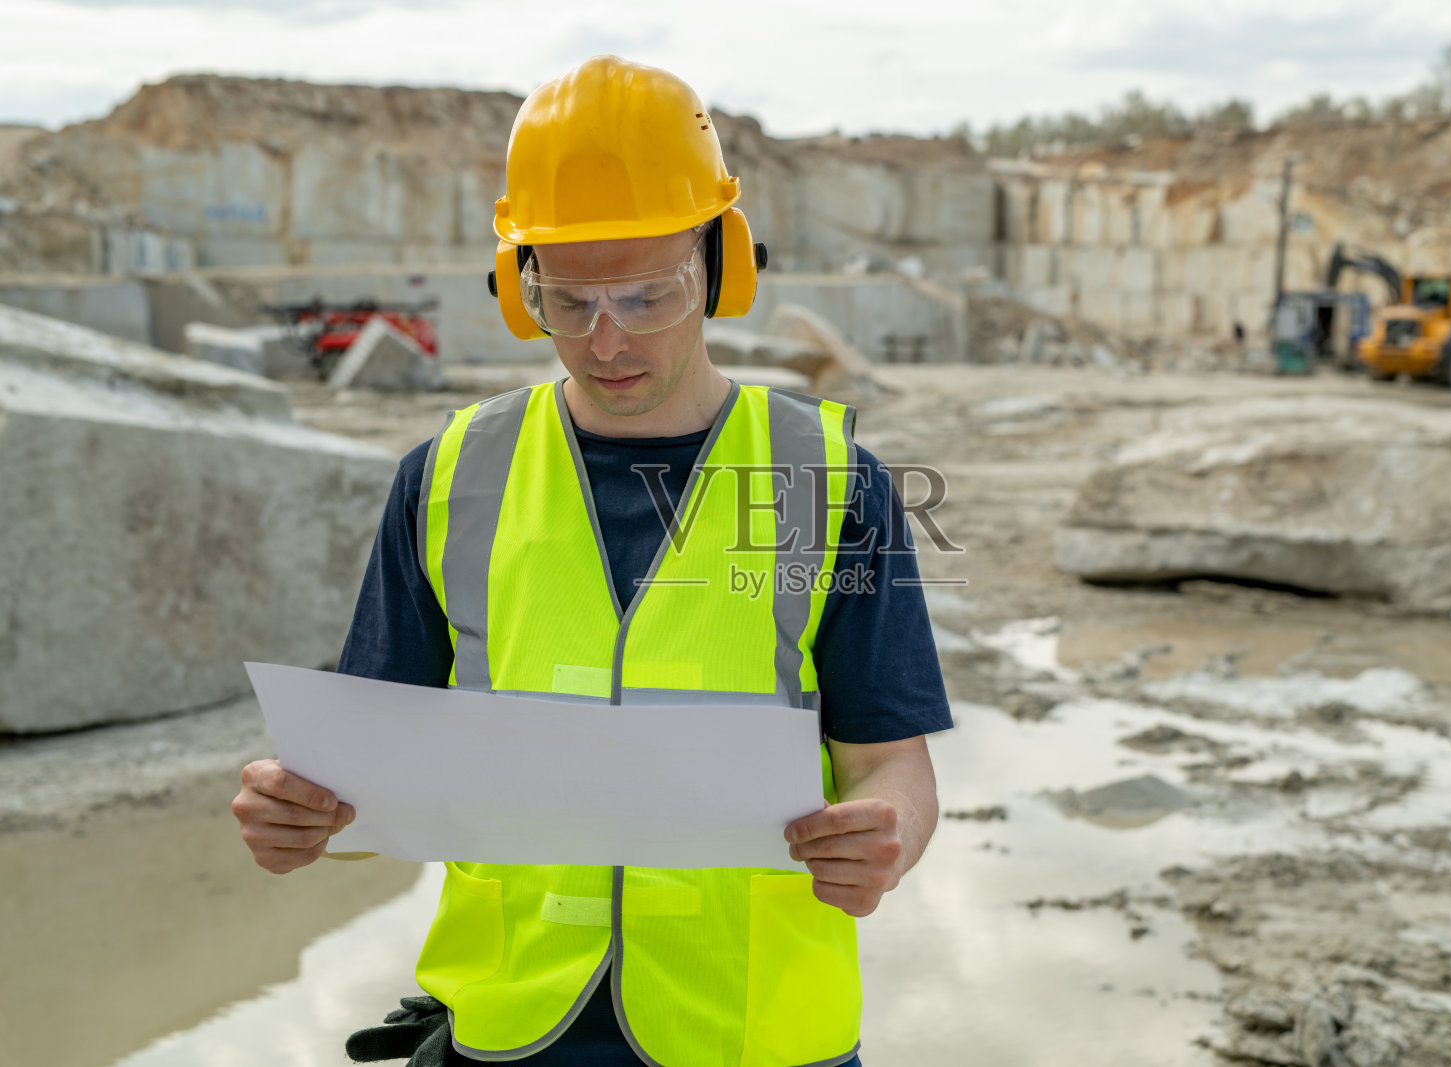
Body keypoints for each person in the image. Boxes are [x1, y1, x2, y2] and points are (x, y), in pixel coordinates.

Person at [231, 55, 952, 1067]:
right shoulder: (448, 477)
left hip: (757, 1031)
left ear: (719, 266)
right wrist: (296, 810)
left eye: (649, 296)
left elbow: (890, 758)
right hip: (509, 1026)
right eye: (566, 301)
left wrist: (889, 835)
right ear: (517, 284)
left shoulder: (830, 481)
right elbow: (366, 769)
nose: (607, 340)